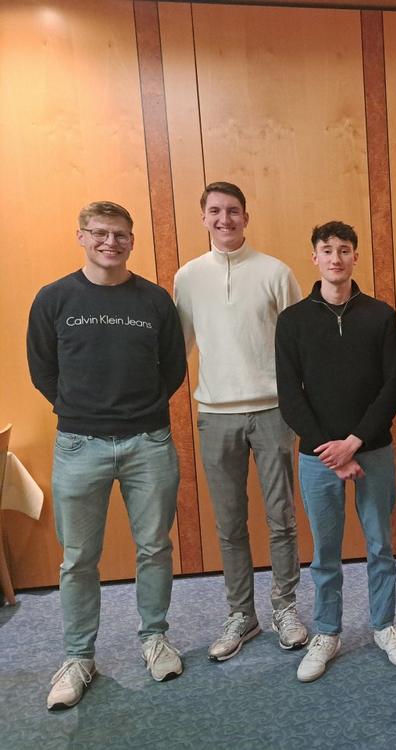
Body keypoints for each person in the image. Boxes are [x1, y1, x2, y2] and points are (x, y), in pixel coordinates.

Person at [27, 201, 187, 709]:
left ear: (132, 241)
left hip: (149, 441)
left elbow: (174, 367)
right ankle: (78, 657)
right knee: (78, 559)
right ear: (81, 236)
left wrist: (142, 408)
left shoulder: (155, 300)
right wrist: (79, 408)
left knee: (154, 547)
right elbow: (42, 367)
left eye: (119, 235)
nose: (110, 243)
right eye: (99, 233)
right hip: (79, 444)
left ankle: (154, 638)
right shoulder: (54, 298)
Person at [174, 182, 307, 661]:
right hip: (215, 416)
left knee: (281, 518)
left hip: (273, 412)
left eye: (233, 211)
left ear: (246, 217)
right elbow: (180, 347)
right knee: (229, 523)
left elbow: (299, 346)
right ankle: (241, 614)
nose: (224, 219)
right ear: (203, 218)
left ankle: (285, 607)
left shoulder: (275, 272)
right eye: (215, 211)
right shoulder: (188, 277)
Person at [275, 220, 396, 682]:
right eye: (327, 250)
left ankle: (384, 624)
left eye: (345, 250)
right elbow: (290, 396)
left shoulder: (380, 316)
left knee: (380, 546)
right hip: (318, 458)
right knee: (325, 552)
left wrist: (353, 443)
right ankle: (327, 631)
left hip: (372, 451)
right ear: (314, 257)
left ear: (356, 257)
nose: (336, 258)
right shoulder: (293, 321)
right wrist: (329, 452)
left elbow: (394, 387)